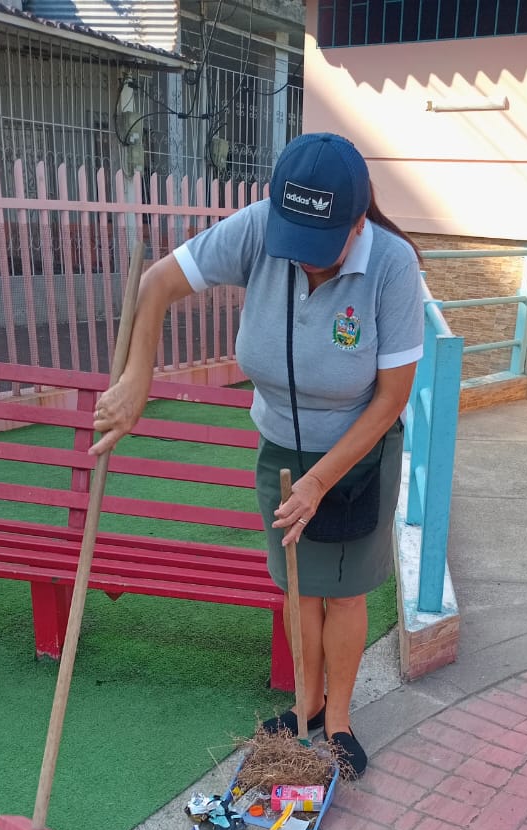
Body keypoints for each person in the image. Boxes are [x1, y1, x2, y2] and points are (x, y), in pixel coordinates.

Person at [90, 132, 425, 777]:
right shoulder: (261, 227)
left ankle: (338, 721)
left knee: (343, 592)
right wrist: (137, 378)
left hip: (357, 454)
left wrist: (320, 482)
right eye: (294, 242)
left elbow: (390, 398)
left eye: (322, 247)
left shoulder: (393, 265)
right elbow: (157, 283)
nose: (303, 262)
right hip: (280, 448)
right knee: (298, 585)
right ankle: (304, 707)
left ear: (358, 222)